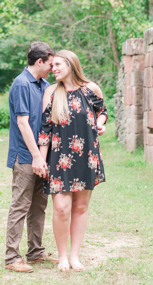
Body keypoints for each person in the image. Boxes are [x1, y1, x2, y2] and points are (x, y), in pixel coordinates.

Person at [38, 50, 107, 272]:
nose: (53, 69)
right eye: (52, 66)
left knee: (80, 207)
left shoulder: (90, 89)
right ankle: (62, 257)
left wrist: (101, 122)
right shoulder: (51, 92)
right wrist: (41, 159)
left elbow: (103, 111)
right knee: (60, 208)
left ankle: (75, 256)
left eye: (57, 64)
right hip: (59, 159)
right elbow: (45, 130)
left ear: (71, 64)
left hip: (87, 157)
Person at [4, 41, 58, 273]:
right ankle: (12, 258)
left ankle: (35, 253)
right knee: (20, 205)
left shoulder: (43, 84)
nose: (52, 68)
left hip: (42, 156)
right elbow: (23, 123)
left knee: (39, 206)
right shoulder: (21, 84)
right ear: (39, 62)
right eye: (50, 64)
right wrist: (36, 157)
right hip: (26, 156)